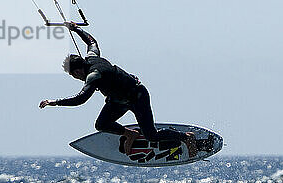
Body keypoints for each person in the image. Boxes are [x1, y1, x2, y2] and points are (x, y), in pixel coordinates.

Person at [39, 22, 197, 156]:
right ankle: (130, 133)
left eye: (74, 75)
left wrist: (54, 102)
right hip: (117, 100)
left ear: (78, 71)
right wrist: (77, 29)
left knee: (152, 136)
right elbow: (92, 42)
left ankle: (186, 137)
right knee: (102, 124)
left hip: (137, 96)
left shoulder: (94, 75)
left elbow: (81, 99)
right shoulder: (92, 57)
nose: (76, 78)